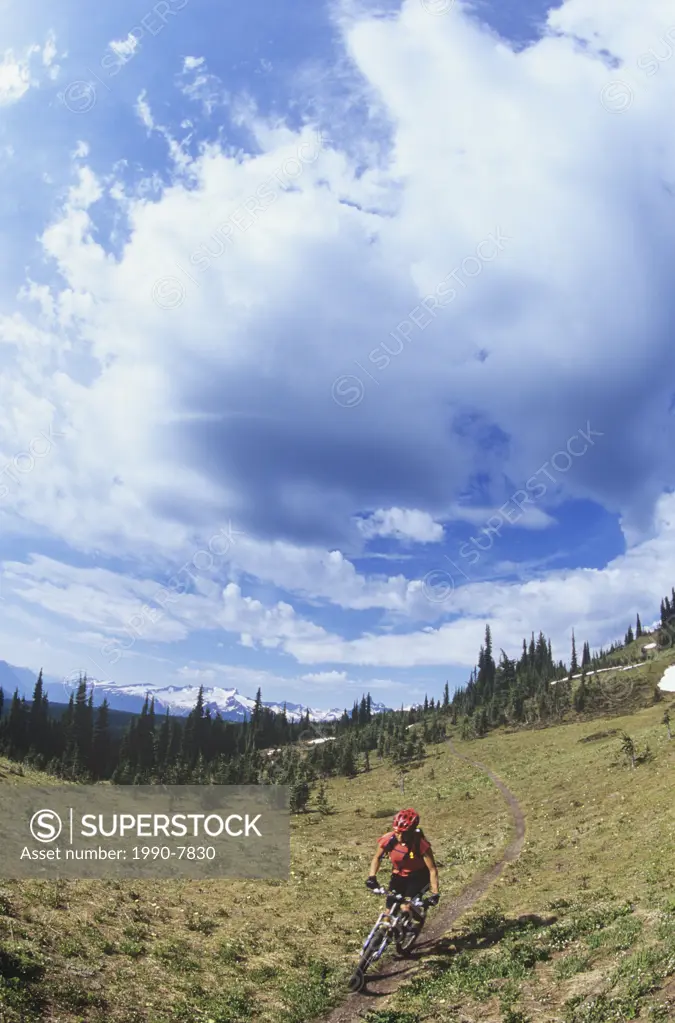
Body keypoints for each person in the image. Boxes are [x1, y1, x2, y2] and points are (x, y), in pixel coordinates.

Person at [365, 808, 440, 923]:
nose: (399, 836)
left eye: (403, 833)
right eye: (397, 832)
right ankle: (384, 934)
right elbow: (377, 858)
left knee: (406, 907)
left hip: (418, 877)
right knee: (388, 912)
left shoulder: (420, 844)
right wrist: (372, 877)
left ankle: (413, 925)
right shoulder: (388, 839)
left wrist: (435, 893)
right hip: (399, 876)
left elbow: (432, 869)